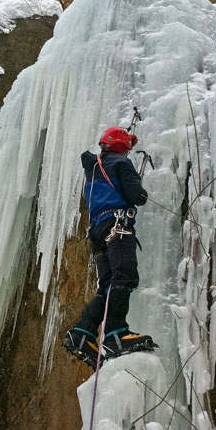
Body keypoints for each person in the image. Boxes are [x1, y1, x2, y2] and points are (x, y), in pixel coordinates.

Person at [63, 126, 156, 369]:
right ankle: (116, 334)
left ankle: (82, 333)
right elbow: (137, 196)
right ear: (123, 147)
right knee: (124, 276)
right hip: (117, 226)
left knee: (107, 284)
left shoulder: (93, 167)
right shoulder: (122, 164)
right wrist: (141, 191)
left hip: (96, 232)